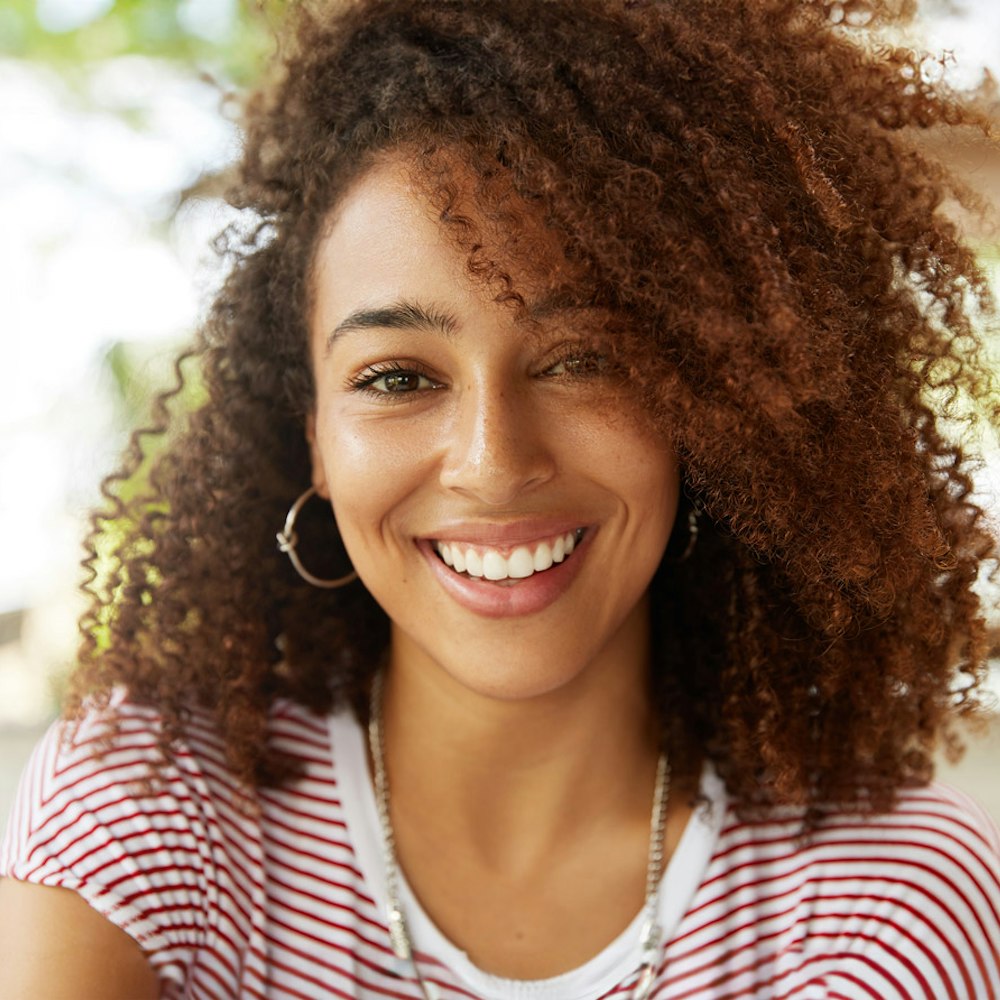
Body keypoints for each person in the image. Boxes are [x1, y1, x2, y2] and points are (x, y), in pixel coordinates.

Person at [2, 0, 1000, 996]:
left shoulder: (882, 904)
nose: (491, 460)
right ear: (311, 433)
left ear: (705, 404)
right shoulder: (151, 803)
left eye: (582, 360)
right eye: (397, 377)